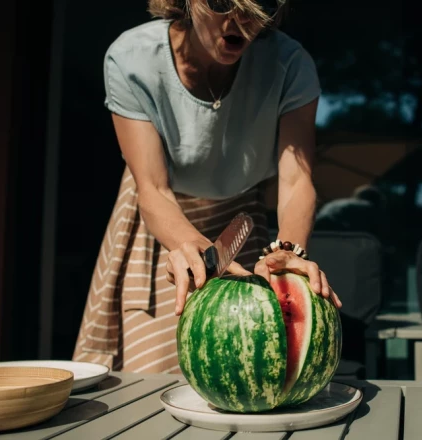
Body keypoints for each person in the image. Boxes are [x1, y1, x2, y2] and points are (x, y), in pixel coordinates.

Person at [72, 0, 341, 374]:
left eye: (257, 4)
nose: (240, 19)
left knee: (245, 368)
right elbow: (153, 189)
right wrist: (186, 245)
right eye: (219, 3)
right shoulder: (132, 59)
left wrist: (289, 250)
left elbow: (295, 180)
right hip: (163, 222)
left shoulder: (290, 65)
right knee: (152, 374)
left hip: (240, 222)